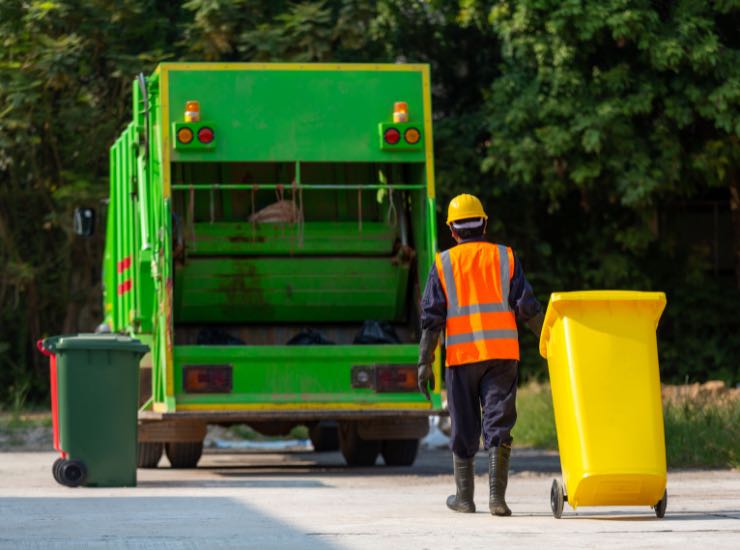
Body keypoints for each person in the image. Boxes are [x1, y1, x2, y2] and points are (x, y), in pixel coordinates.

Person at [417, 193, 544, 516]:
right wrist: (548, 340)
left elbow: (432, 319)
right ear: (484, 224)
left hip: (461, 357)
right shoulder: (505, 257)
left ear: (452, 230)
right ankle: (496, 499)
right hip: (501, 354)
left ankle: (464, 498)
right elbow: (527, 308)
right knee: (498, 421)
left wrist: (424, 362)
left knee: (464, 424)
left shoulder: (444, 263)